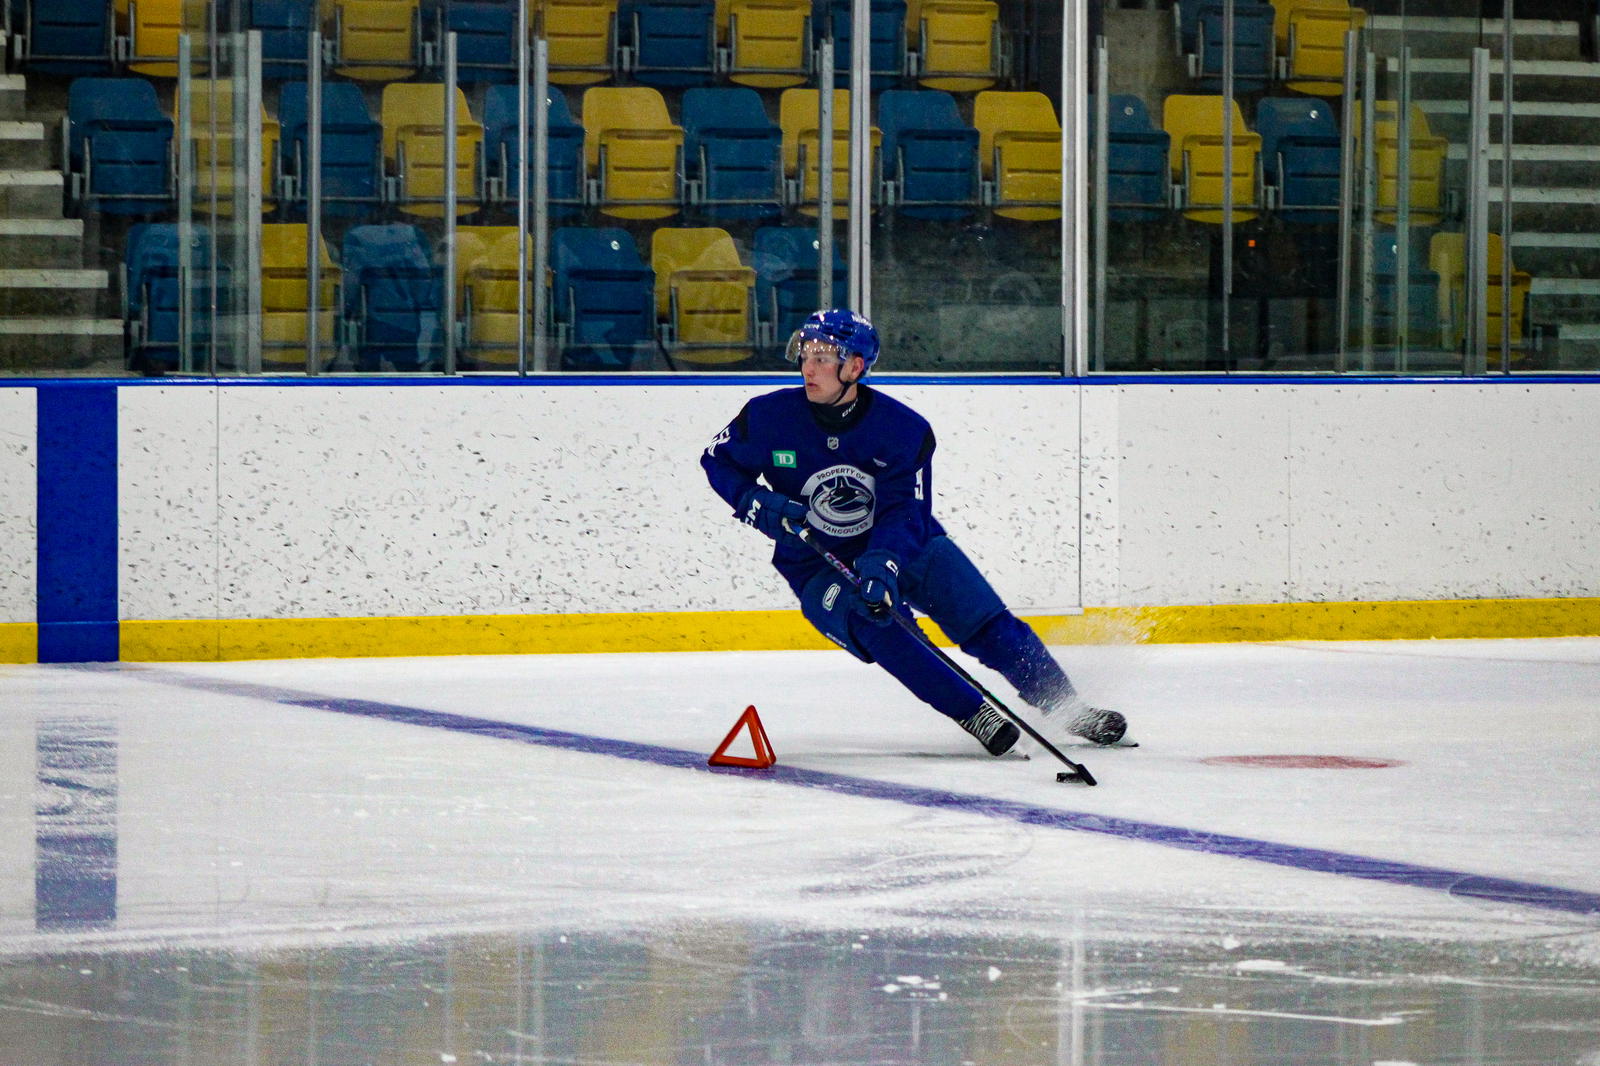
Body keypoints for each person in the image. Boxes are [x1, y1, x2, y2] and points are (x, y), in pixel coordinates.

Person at [700, 308, 1126, 757]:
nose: (808, 368)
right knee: (883, 626)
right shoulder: (767, 416)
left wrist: (881, 563)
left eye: (822, 358)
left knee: (985, 622)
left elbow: (904, 509)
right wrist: (752, 501)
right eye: (806, 356)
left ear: (854, 367)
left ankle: (1069, 709)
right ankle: (973, 712)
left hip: (906, 544)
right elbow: (716, 459)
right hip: (817, 562)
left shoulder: (903, 429)